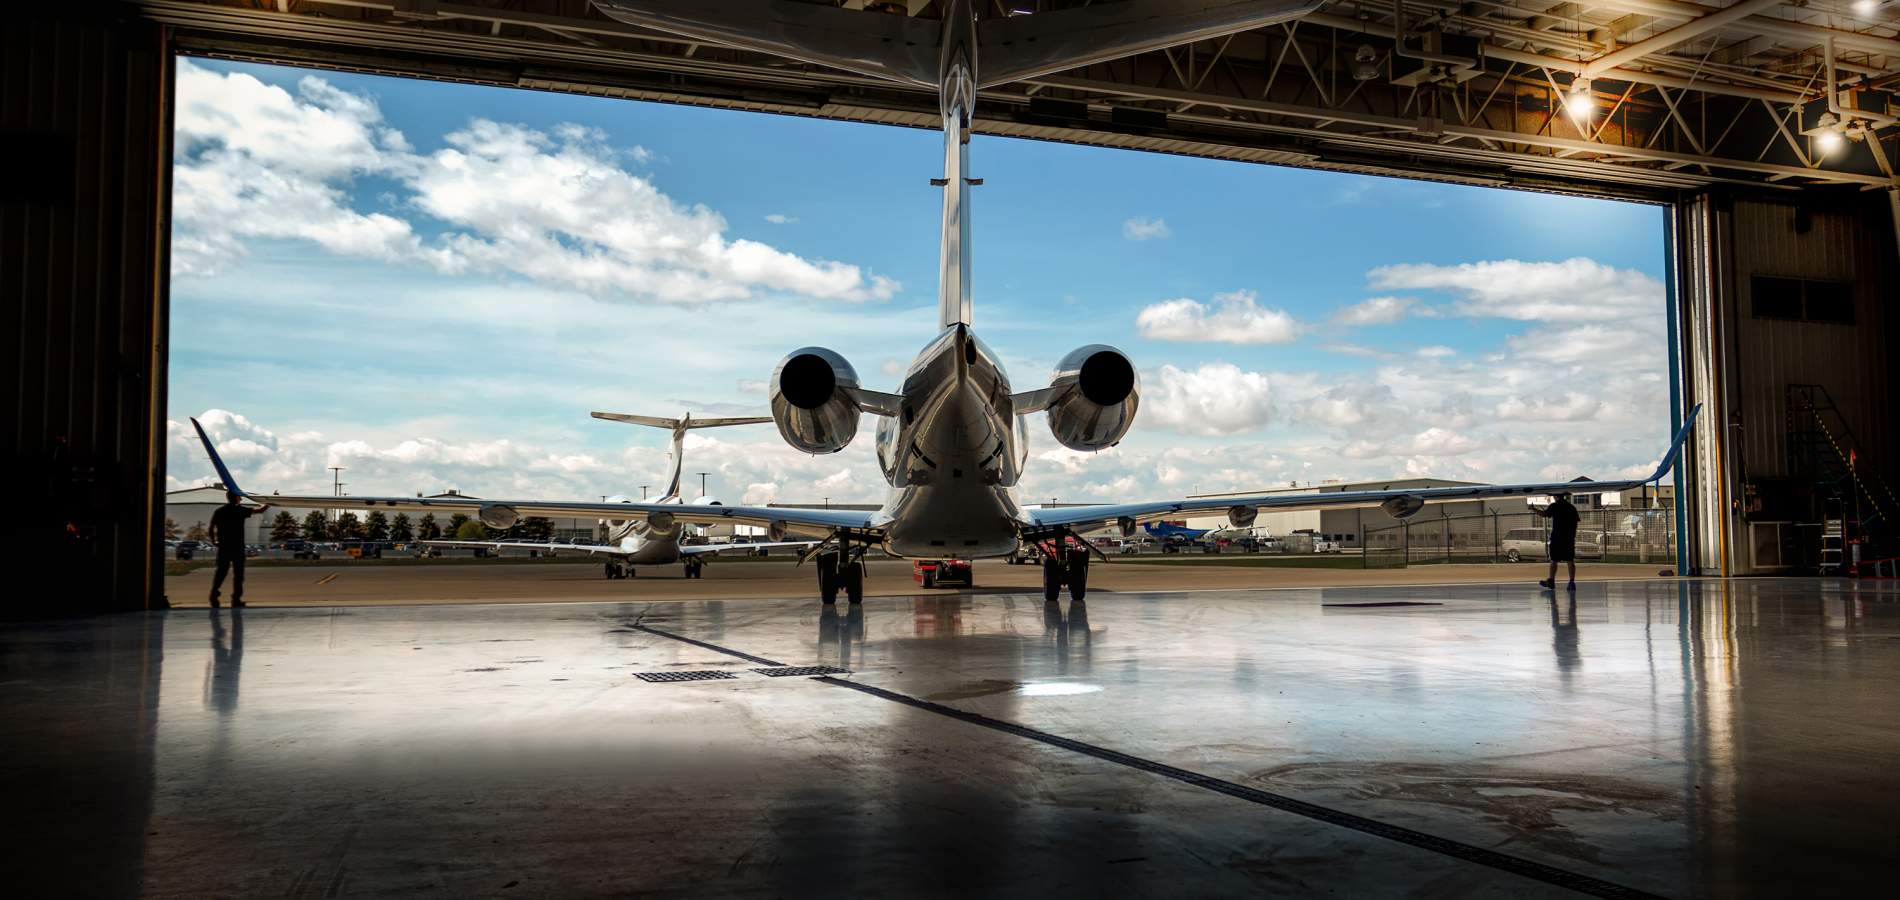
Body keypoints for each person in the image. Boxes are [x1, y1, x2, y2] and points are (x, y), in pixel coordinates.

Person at [207, 491, 268, 608]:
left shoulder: (220, 511)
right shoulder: (240, 510)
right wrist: (269, 501)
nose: (241, 499)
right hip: (237, 547)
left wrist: (214, 541)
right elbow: (260, 510)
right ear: (236, 498)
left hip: (224, 547)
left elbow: (211, 528)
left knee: (220, 573)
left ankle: (214, 595)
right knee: (239, 575)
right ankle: (236, 599)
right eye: (239, 497)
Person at [1533, 492, 1581, 591]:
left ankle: (1551, 580)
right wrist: (1572, 535)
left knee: (1554, 560)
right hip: (1569, 538)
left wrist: (1533, 509)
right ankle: (1571, 582)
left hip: (1557, 537)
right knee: (1570, 560)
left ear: (1556, 497)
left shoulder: (1555, 506)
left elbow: (1544, 514)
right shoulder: (1571, 507)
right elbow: (1576, 522)